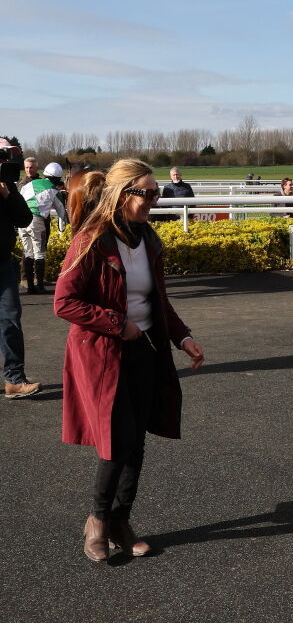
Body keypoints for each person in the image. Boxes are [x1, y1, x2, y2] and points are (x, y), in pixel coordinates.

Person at [54, 158, 204, 562]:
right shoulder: (92, 240)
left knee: (136, 441)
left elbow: (160, 302)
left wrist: (183, 337)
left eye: (157, 193)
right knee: (116, 441)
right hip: (103, 354)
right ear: (123, 195)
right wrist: (117, 324)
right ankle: (98, 521)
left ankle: (121, 521)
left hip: (146, 352)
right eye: (148, 193)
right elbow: (64, 302)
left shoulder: (149, 240)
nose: (155, 200)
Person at [1, 143, 41, 399]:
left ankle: (15, 380)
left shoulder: (7, 186)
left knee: (10, 321)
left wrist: (8, 195)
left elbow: (25, 219)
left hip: (3, 263)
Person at [18, 161, 67, 294]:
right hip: (36, 221)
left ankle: (29, 286)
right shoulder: (53, 190)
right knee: (39, 253)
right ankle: (39, 286)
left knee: (28, 252)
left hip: (22, 221)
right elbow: (63, 213)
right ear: (57, 178)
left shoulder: (30, 184)